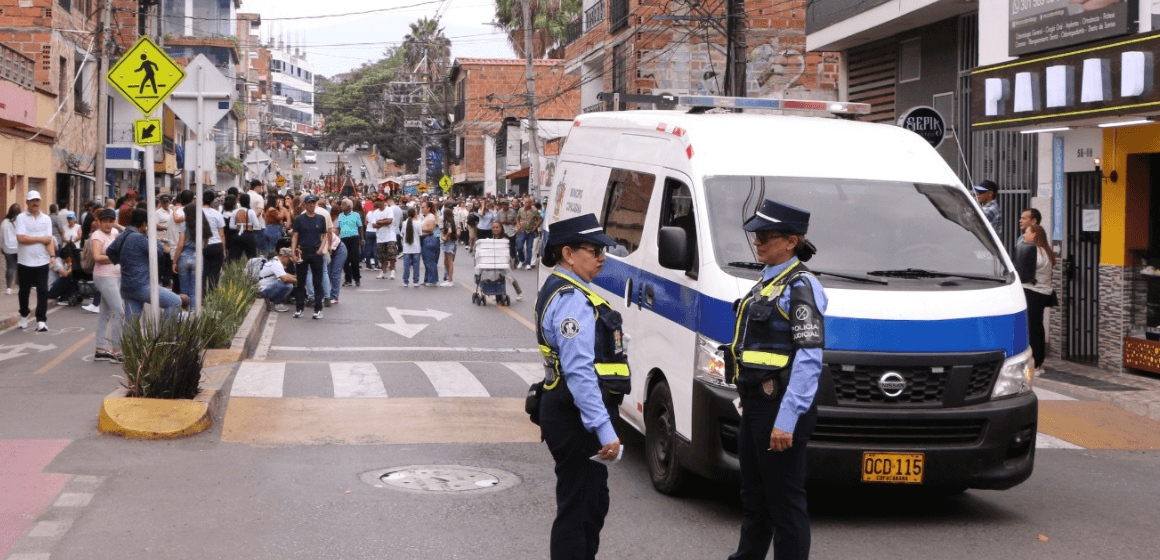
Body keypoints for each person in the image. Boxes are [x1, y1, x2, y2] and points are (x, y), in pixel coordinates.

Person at [724, 199, 826, 560]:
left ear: (791, 241)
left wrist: (787, 420)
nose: (758, 241)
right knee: (754, 498)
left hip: (779, 408)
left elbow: (809, 358)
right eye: (756, 235)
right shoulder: (767, 283)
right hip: (756, 405)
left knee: (784, 503)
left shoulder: (801, 287)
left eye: (767, 235)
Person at [534, 213, 628, 560]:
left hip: (565, 412)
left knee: (585, 504)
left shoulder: (562, 287)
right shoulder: (573, 298)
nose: (602, 256)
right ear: (569, 253)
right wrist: (604, 429)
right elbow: (579, 372)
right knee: (581, 511)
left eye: (603, 249)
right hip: (575, 418)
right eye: (594, 250)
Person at [116, 209, 189, 322]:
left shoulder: (125, 235)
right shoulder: (138, 237)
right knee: (175, 301)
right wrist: (153, 236)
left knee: (131, 324)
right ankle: (164, 337)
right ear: (145, 224)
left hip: (128, 285)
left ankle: (130, 340)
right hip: (140, 285)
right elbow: (158, 252)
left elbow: (111, 251)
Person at [15, 190, 56, 331]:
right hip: (25, 261)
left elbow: (49, 241)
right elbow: (21, 238)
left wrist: (52, 256)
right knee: (24, 291)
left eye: (37, 200)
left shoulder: (46, 219)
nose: (35, 203)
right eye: (32, 201)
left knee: (43, 290)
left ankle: (41, 321)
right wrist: (40, 239)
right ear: (27, 202)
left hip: (42, 261)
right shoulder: (21, 218)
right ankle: (24, 314)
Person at [89, 209, 125, 363]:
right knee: (119, 312)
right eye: (105, 220)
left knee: (105, 313)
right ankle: (116, 350)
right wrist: (116, 258)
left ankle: (100, 349)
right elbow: (97, 257)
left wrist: (116, 225)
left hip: (114, 277)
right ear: (98, 221)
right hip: (104, 276)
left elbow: (125, 232)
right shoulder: (97, 235)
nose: (108, 224)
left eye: (111, 220)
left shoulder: (114, 234)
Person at [1022, 224, 1055, 376]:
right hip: (1042, 293)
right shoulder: (1046, 251)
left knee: (1033, 329)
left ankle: (1035, 363)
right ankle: (1038, 362)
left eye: (1026, 232)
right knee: (1038, 327)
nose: (1024, 235)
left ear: (1034, 235)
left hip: (1033, 292)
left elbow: (1026, 272)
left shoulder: (1034, 251)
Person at [291, 195, 328, 319]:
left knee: (317, 282)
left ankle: (318, 309)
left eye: (313, 202)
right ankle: (299, 308)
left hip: (316, 253)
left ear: (316, 204)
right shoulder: (299, 219)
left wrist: (320, 249)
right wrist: (292, 253)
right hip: (302, 252)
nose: (311, 205)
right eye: (309, 203)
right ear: (305, 205)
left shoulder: (321, 218)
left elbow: (325, 236)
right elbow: (295, 236)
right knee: (300, 282)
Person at [488, 221, 524, 300]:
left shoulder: (505, 237)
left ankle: (519, 292)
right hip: (497, 259)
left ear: (501, 228)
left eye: (497, 227)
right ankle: (497, 292)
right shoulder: (492, 238)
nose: (495, 229)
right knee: (494, 275)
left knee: (509, 276)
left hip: (507, 259)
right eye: (493, 227)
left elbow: (505, 248)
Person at [201, 190, 227, 289]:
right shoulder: (217, 214)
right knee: (214, 274)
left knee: (202, 273)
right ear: (212, 201)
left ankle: (202, 296)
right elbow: (222, 235)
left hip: (202, 246)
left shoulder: (197, 212)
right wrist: (224, 250)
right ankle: (212, 296)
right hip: (216, 245)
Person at [259, 248, 298, 312]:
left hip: (264, 287)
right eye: (289, 260)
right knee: (288, 285)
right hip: (264, 290)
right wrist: (300, 281)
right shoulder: (276, 264)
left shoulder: (274, 260)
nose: (289, 262)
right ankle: (277, 304)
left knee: (286, 283)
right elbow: (285, 278)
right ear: (284, 256)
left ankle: (273, 302)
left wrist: (298, 277)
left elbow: (285, 274)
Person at [337, 199, 363, 287]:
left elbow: (360, 227)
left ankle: (357, 278)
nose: (341, 206)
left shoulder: (356, 215)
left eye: (343, 204)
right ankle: (348, 279)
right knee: (345, 260)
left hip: (354, 238)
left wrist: (362, 239)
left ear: (348, 206)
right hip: (344, 238)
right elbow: (338, 228)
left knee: (354, 259)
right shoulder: (340, 216)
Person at [369, 196, 397, 279]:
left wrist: (379, 222)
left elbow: (390, 221)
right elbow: (374, 225)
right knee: (382, 256)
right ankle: (383, 271)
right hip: (380, 237)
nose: (378, 202)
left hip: (390, 236)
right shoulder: (375, 212)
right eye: (377, 201)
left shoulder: (389, 210)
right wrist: (384, 221)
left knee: (392, 255)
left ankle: (392, 271)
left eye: (380, 200)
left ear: (384, 201)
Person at [517, 197, 541, 270]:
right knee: (519, 247)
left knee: (529, 248)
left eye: (527, 202)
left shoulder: (535, 210)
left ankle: (528, 264)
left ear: (530, 203)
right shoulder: (521, 210)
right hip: (522, 231)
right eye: (525, 202)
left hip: (530, 232)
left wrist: (536, 226)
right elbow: (517, 218)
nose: (525, 204)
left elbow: (540, 219)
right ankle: (521, 260)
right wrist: (518, 226)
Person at [420, 201, 440, 286]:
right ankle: (427, 279)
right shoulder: (426, 217)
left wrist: (419, 230)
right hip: (425, 239)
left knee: (430, 260)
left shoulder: (431, 217)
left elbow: (431, 228)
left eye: (424, 207)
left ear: (428, 208)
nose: (422, 208)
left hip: (430, 239)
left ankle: (433, 280)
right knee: (426, 260)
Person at [400, 207, 421, 287]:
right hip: (416, 248)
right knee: (416, 266)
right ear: (415, 214)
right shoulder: (417, 223)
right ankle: (416, 281)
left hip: (406, 248)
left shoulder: (404, 223)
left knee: (406, 266)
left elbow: (402, 234)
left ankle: (405, 281)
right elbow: (420, 234)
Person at [2, 204, 20, 295]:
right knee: (20, 267)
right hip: (18, 248)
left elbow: (1, 236)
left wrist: (1, 247)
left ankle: (8, 288)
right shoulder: (20, 221)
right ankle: (21, 285)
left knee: (10, 267)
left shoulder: (4, 222)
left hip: (7, 248)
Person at [440, 204, 458, 287]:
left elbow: (450, 231)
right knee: (447, 261)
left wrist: (445, 237)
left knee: (449, 261)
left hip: (448, 242)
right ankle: (449, 278)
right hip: (452, 241)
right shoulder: (452, 221)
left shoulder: (447, 222)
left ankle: (450, 279)